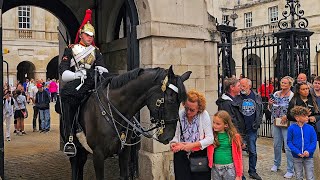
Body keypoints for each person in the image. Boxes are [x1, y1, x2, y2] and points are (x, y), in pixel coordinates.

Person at [58, 9, 108, 133]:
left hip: (93, 81)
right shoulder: (71, 50)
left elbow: (102, 66)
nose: (90, 38)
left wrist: (99, 70)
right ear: (81, 34)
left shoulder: (95, 51)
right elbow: (63, 70)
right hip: (77, 82)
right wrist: (76, 75)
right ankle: (70, 133)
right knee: (68, 100)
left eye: (92, 36)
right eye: (87, 35)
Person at [170, 90, 214, 180]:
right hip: (181, 154)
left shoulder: (203, 115)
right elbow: (175, 135)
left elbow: (210, 138)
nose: (188, 112)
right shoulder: (180, 114)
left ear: (199, 109)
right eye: (186, 108)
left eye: (192, 110)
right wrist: (173, 143)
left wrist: (192, 145)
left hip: (198, 153)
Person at [268, 76, 295, 178]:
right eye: (282, 83)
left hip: (286, 123)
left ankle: (290, 169)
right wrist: (270, 104)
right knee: (276, 144)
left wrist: (287, 116)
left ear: (290, 85)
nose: (283, 85)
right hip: (276, 121)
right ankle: (276, 163)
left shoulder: (292, 96)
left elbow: (293, 110)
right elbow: (270, 108)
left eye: (285, 83)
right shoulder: (276, 94)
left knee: (288, 147)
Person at [239, 78, 263, 180]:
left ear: (249, 86)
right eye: (240, 85)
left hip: (252, 129)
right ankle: (240, 173)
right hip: (241, 130)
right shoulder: (238, 97)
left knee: (252, 151)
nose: (241, 88)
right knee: (238, 152)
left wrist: (258, 123)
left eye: (243, 86)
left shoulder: (256, 96)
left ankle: (252, 171)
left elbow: (260, 111)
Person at [287, 106, 317, 180]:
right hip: (296, 156)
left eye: (307, 115)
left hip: (308, 157)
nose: (307, 117)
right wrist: (297, 152)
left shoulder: (310, 128)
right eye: (304, 116)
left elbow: (313, 142)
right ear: (297, 118)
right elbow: (289, 142)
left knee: (310, 176)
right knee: (298, 176)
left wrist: (308, 151)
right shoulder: (291, 128)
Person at [287, 82, 320, 147]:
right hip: (298, 129)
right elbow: (289, 115)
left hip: (310, 128)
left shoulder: (312, 100)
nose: (306, 91)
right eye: (303, 89)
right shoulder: (294, 101)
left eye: (307, 89)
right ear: (298, 91)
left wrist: (314, 118)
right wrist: (301, 118)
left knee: (311, 150)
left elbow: (318, 114)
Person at [211, 110, 243, 180]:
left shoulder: (233, 136)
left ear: (226, 125)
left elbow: (239, 156)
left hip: (229, 168)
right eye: (213, 122)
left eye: (218, 124)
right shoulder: (211, 136)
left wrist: (239, 174)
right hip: (215, 168)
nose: (214, 125)